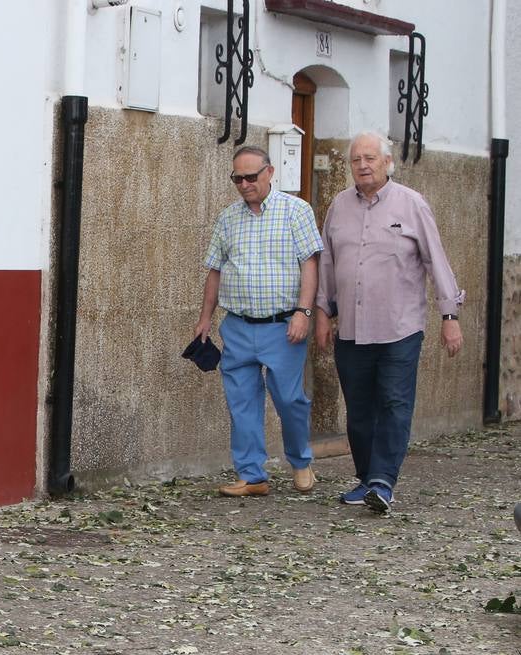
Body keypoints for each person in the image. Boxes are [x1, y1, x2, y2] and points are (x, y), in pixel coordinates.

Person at [314, 132, 464, 514]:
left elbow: (436, 260)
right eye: (355, 160)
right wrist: (321, 313)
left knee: (395, 403)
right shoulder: (339, 207)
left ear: (387, 161)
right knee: (359, 409)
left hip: (400, 327)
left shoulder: (412, 205)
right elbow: (328, 263)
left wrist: (450, 316)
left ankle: (382, 482)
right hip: (351, 327)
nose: (362, 165)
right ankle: (367, 478)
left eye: (370, 158)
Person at [195, 146, 323, 497]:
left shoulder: (296, 211)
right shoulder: (227, 218)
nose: (244, 184)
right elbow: (215, 270)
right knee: (241, 401)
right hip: (237, 325)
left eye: (251, 176)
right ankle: (252, 475)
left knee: (289, 399)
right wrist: (205, 318)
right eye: (237, 178)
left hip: (282, 327)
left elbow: (310, 265)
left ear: (269, 173)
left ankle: (299, 460)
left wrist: (304, 312)